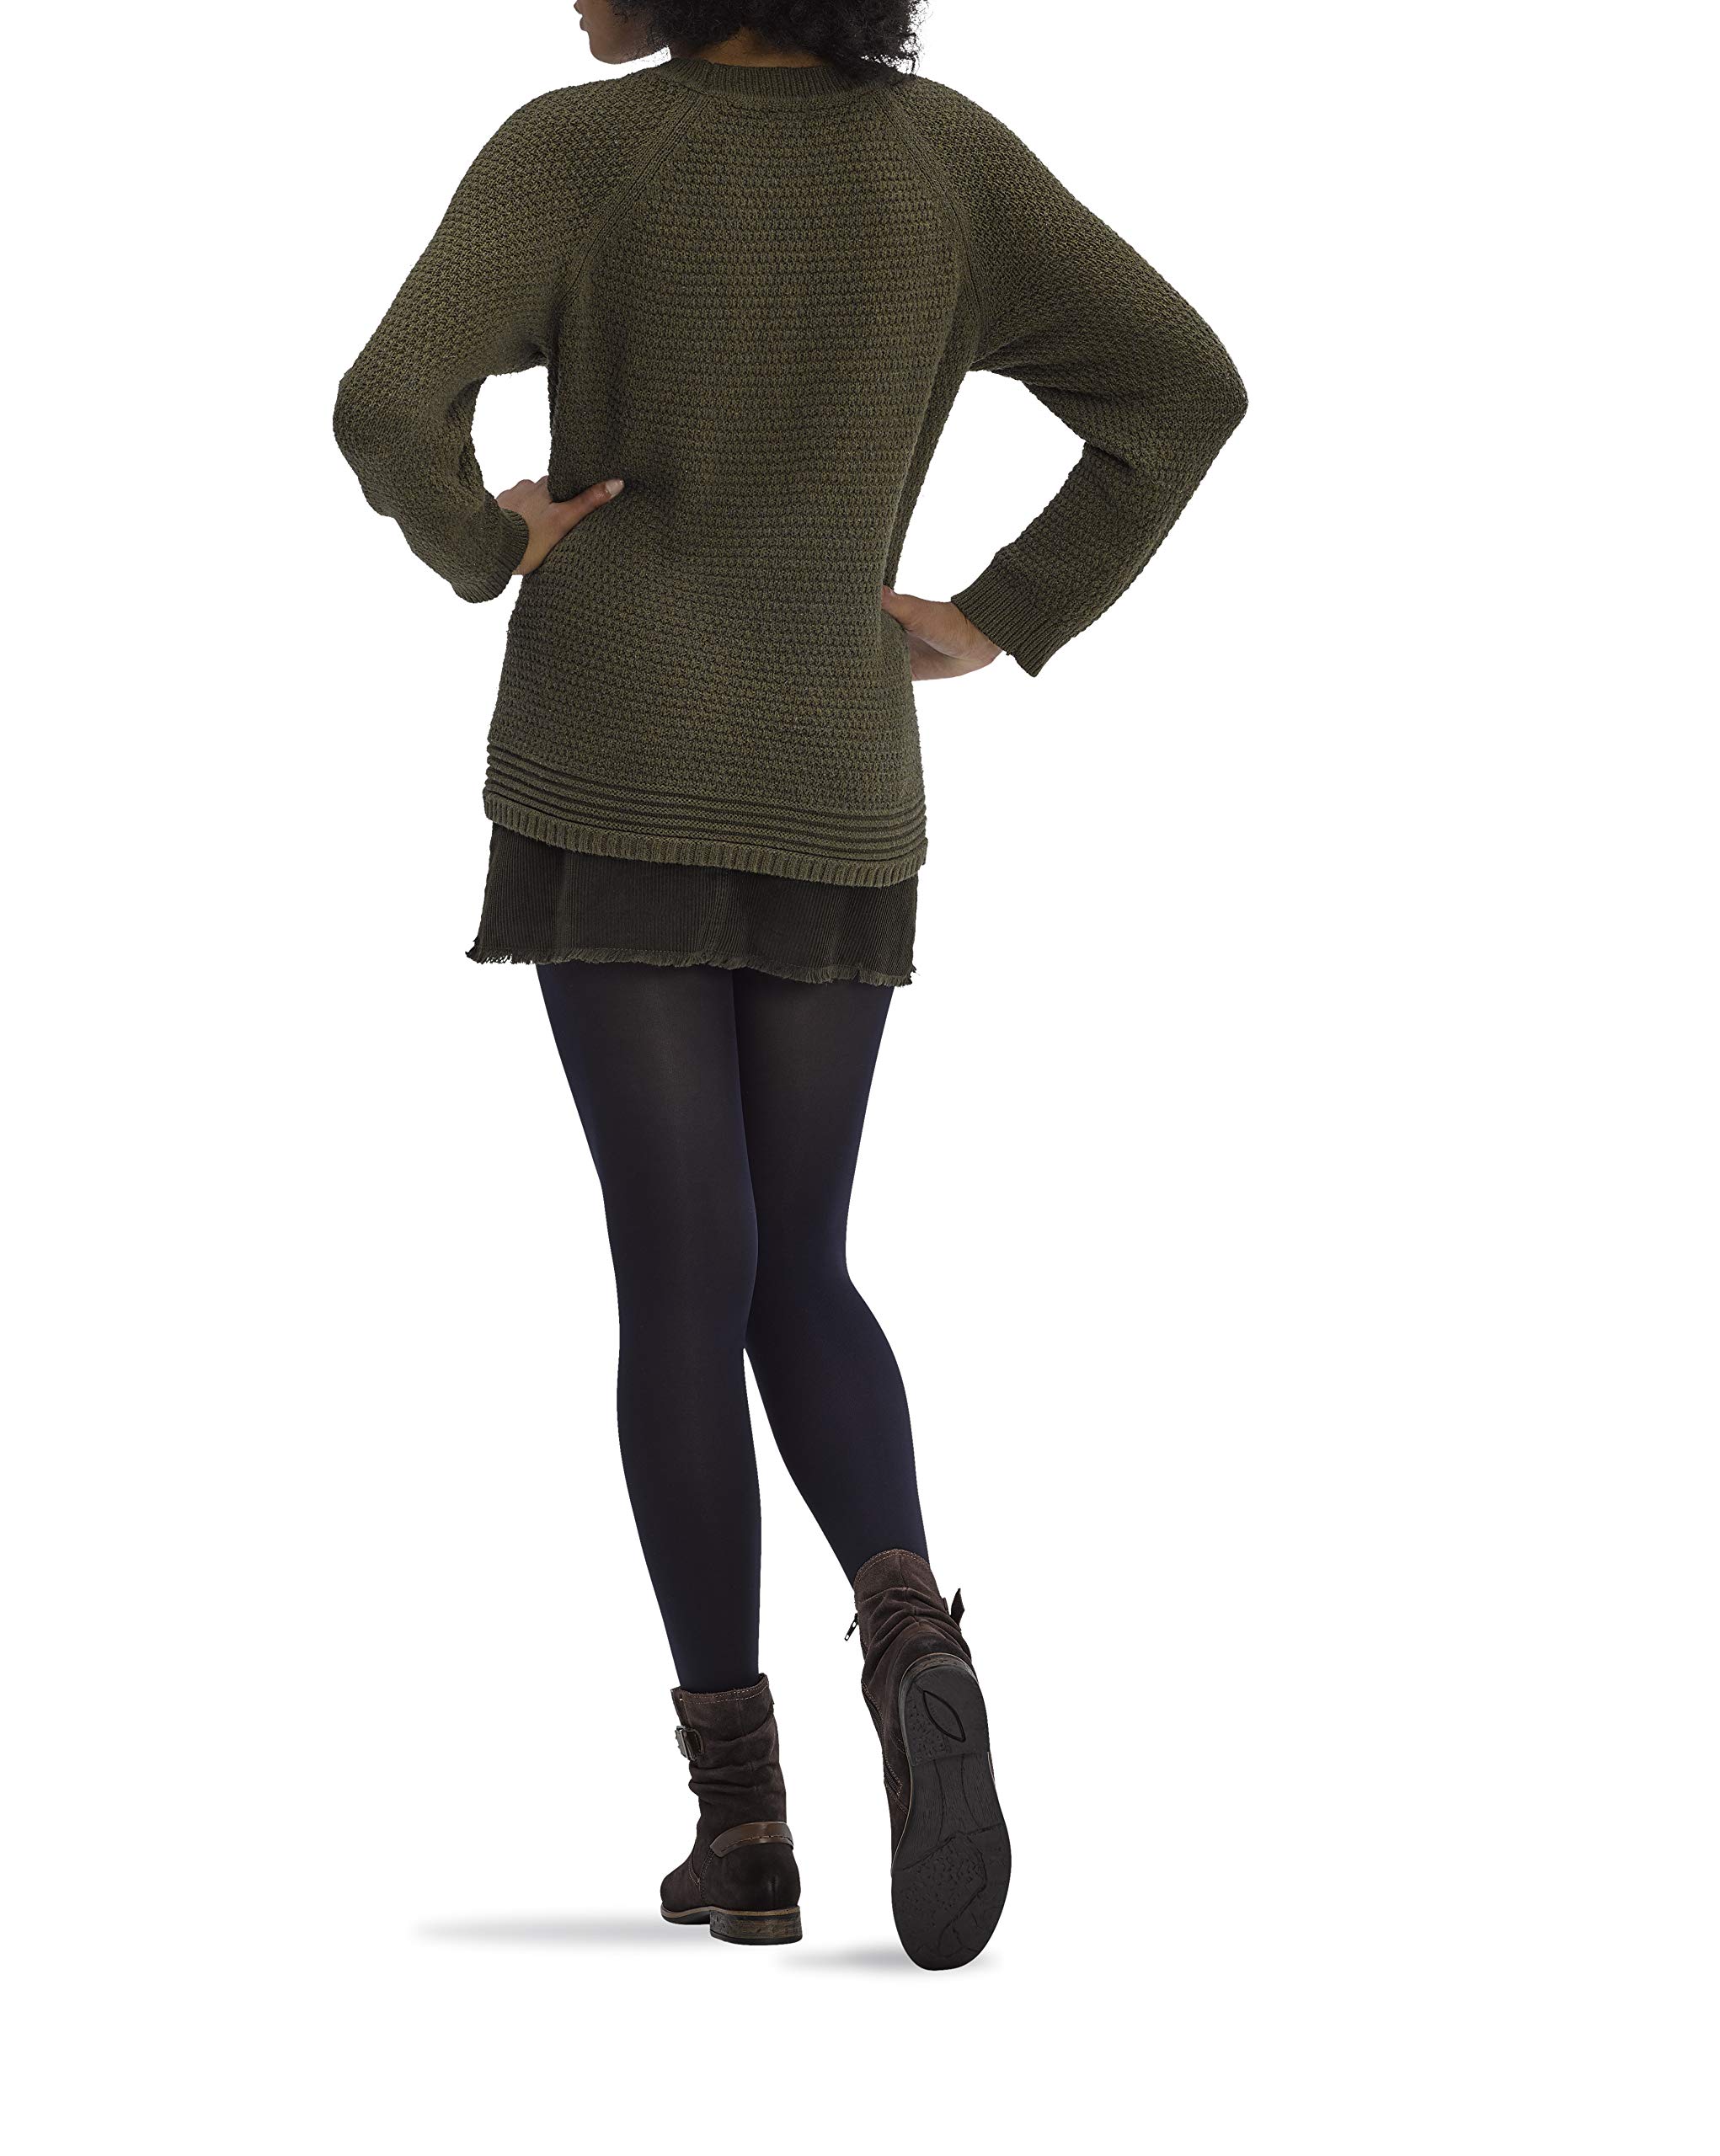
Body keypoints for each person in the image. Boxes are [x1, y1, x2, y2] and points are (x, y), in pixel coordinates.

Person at [334, 0, 1245, 1970]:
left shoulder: (580, 151)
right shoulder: (944, 167)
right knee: (799, 1265)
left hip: (612, 761)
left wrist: (486, 542)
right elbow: (1183, 387)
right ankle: (908, 1625)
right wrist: (1001, 614)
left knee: (683, 1276)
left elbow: (388, 402)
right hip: (834, 766)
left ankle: (741, 1828)